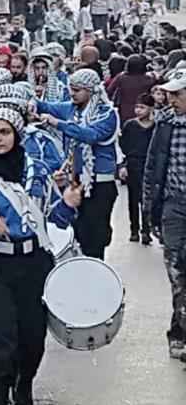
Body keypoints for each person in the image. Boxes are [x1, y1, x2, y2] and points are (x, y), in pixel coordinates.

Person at [0, 108, 81, 405]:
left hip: (34, 264)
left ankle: (24, 384)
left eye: (4, 132)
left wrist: (68, 204)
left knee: (31, 337)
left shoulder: (37, 171)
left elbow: (52, 222)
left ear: (17, 135)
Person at [34, 69, 120, 260]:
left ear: (91, 91)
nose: (72, 94)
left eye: (77, 90)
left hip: (100, 185)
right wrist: (29, 101)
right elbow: (46, 106)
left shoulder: (107, 114)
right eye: (71, 89)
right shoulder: (72, 108)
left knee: (95, 237)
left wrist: (59, 124)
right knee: (75, 232)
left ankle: (96, 272)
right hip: (75, 184)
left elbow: (89, 135)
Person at [142, 69, 186, 359]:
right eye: (169, 94)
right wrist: (148, 207)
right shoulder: (165, 124)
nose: (171, 99)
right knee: (175, 267)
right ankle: (180, 330)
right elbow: (152, 164)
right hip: (173, 204)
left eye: (177, 94)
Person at [120, 92, 155, 244]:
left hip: (149, 166)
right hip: (133, 165)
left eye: (143, 107)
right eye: (137, 107)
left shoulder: (157, 127)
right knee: (133, 200)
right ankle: (134, 230)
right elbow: (123, 146)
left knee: (147, 199)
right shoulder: (130, 125)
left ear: (151, 109)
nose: (138, 110)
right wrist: (123, 165)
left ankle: (146, 230)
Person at [107, 54, 156, 123]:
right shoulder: (149, 79)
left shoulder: (121, 77)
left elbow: (109, 91)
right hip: (144, 110)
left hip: (124, 111)